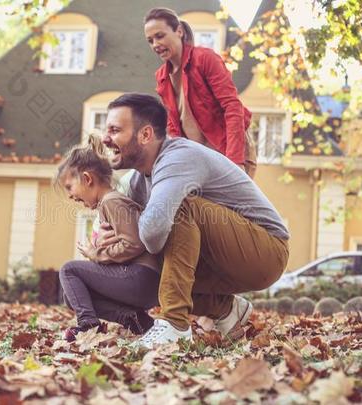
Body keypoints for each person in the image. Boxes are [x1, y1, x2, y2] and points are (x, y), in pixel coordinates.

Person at [100, 93, 289, 349]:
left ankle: (174, 325)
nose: (105, 138)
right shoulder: (137, 181)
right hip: (223, 260)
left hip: (266, 251)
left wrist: (130, 238)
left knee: (177, 208)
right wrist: (106, 245)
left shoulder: (178, 158)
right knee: (147, 271)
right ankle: (226, 309)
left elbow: (153, 234)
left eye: (114, 130)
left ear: (145, 135)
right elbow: (122, 238)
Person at [56, 136, 160, 342]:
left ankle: (87, 325)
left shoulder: (112, 202)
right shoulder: (108, 204)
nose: (70, 196)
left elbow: (134, 243)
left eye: (69, 187)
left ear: (87, 179)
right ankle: (135, 319)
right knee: (73, 295)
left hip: (142, 278)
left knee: (69, 270)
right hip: (138, 280)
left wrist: (98, 254)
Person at [144, 7, 257, 177]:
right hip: (199, 159)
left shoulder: (204, 59)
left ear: (179, 31)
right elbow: (173, 128)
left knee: (231, 205)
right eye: (150, 40)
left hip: (230, 151)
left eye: (160, 36)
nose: (155, 44)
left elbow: (232, 107)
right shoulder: (162, 77)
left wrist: (235, 162)